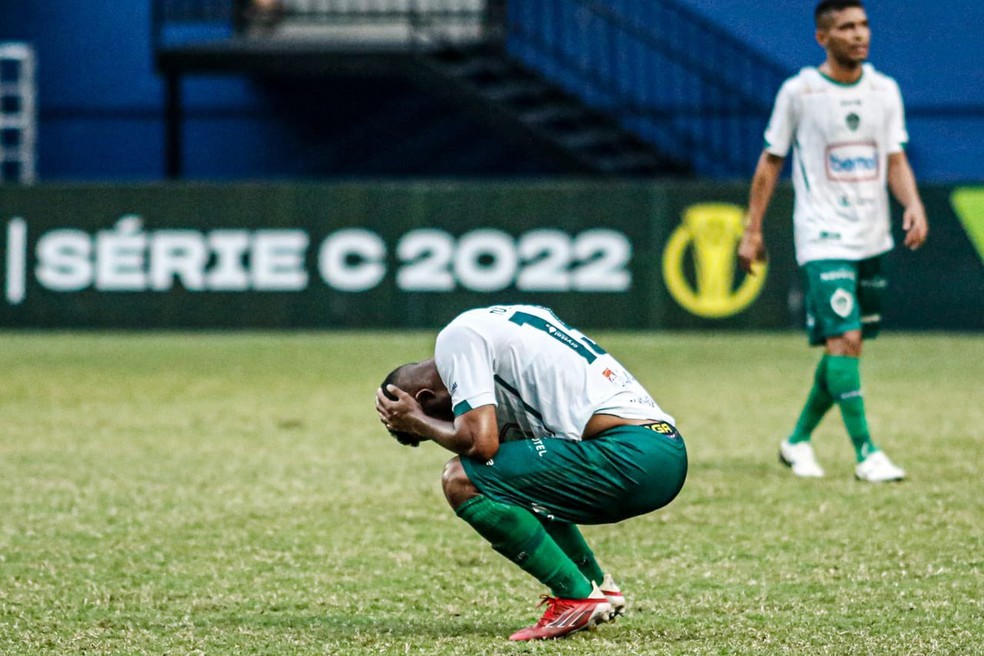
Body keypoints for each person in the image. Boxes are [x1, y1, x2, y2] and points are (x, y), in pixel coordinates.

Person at [375, 304, 687, 641]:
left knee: (461, 477)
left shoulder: (458, 337)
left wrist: (417, 421)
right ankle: (596, 587)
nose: (448, 427)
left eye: (440, 419)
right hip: (662, 450)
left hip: (630, 452)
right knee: (516, 479)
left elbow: (480, 445)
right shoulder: (503, 336)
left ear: (424, 397)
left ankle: (575, 596)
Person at [737, 0, 929, 482]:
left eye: (863, 25)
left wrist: (913, 203)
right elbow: (770, 162)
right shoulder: (799, 92)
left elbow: (895, 158)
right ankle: (867, 454)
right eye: (847, 27)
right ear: (823, 38)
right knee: (845, 337)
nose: (860, 34)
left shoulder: (885, 90)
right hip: (822, 236)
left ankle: (796, 441)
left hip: (872, 236)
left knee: (847, 347)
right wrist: (752, 229)